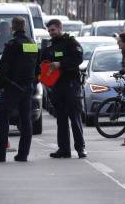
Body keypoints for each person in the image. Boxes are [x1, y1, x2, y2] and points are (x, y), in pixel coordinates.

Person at [0, 16, 38, 162]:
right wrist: (32, 83)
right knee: (26, 120)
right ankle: (23, 154)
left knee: (2, 118)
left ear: (12, 28)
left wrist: (1, 86)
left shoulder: (12, 44)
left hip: (12, 87)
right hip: (27, 87)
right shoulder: (32, 44)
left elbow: (2, 67)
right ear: (25, 27)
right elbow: (36, 66)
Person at [41, 19, 86, 159]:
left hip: (71, 84)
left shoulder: (70, 42)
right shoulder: (48, 45)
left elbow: (78, 58)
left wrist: (60, 64)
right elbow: (42, 62)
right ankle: (64, 149)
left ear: (60, 28)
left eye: (53, 30)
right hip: (56, 86)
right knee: (61, 119)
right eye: (49, 31)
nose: (51, 33)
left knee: (75, 117)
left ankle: (80, 148)